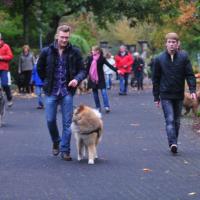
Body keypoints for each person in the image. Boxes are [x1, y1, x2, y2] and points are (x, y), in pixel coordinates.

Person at [37, 25, 87, 161]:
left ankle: (65, 150)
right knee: (50, 120)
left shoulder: (74, 52)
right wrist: (46, 81)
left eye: (67, 37)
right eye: (62, 37)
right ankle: (56, 140)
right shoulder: (46, 51)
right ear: (57, 36)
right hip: (51, 91)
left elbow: (83, 70)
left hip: (67, 92)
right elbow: (39, 68)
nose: (64, 40)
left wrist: (76, 79)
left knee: (67, 123)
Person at [152, 32, 196, 154]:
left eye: (174, 42)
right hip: (165, 94)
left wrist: (192, 90)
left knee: (177, 120)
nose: (171, 44)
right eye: (169, 42)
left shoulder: (183, 57)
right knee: (170, 119)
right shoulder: (159, 59)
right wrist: (156, 97)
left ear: (178, 44)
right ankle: (173, 143)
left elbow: (190, 75)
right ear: (166, 44)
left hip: (178, 94)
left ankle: (174, 141)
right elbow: (155, 79)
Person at [86, 46, 116, 113]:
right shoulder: (90, 58)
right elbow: (87, 68)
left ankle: (106, 106)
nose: (92, 51)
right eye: (92, 50)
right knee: (95, 93)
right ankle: (98, 107)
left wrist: (117, 70)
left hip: (100, 78)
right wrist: (83, 76)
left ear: (97, 51)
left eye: (93, 50)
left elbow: (109, 65)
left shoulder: (102, 58)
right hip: (93, 78)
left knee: (104, 92)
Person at [0, 33, 14, 107]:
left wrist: (2, 57)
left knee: (5, 84)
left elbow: (10, 56)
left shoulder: (6, 46)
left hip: (3, 68)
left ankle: (9, 98)